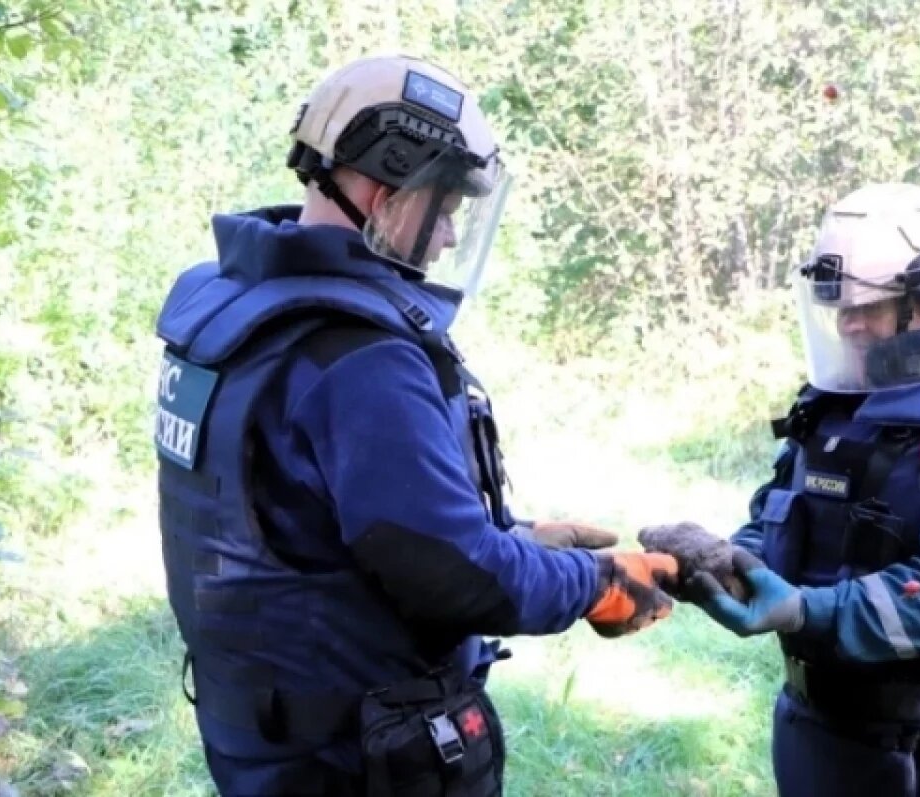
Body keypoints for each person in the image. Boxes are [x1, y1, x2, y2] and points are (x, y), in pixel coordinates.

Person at [152, 54, 678, 796]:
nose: (448, 236)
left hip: (261, 733)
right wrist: (598, 583)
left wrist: (516, 537)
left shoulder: (233, 308)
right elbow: (457, 574)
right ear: (384, 186)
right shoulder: (358, 355)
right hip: (358, 755)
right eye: (445, 201)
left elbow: (307, 522)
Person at [651, 183, 920, 796]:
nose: (848, 325)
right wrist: (716, 563)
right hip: (822, 736)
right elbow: (782, 520)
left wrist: (802, 610)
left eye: (869, 308)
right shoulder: (837, 408)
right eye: (839, 308)